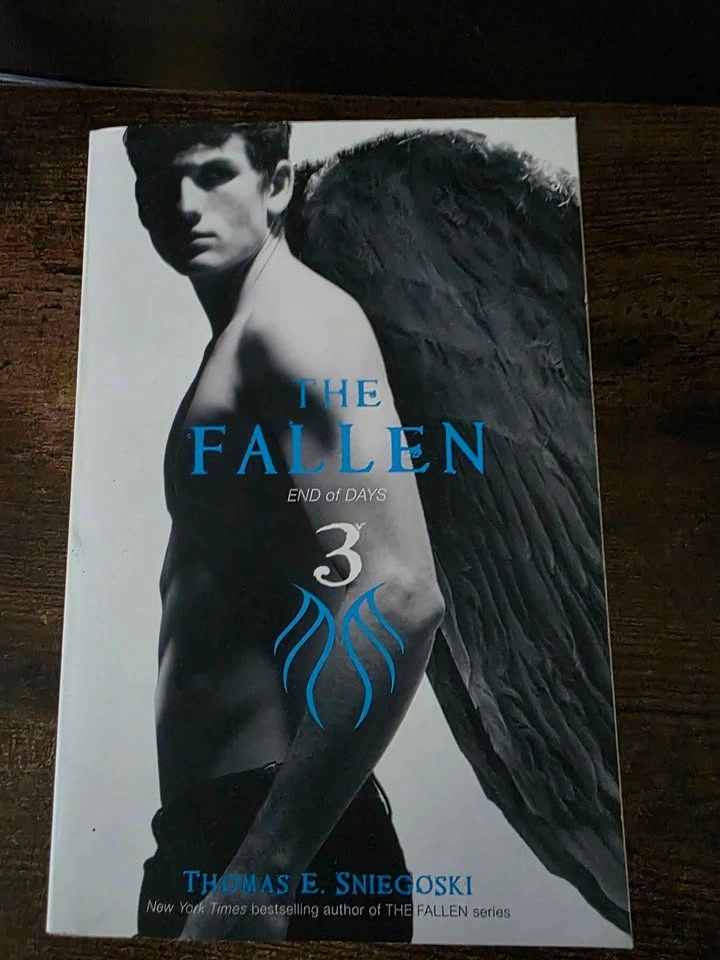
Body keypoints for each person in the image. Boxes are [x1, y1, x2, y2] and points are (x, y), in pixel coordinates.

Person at [123, 122, 445, 942]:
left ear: (276, 184)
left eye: (212, 174)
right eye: (161, 184)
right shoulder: (241, 339)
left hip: (272, 845)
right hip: (227, 834)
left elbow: (403, 594)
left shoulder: (292, 322)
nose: (184, 205)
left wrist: (263, 873)